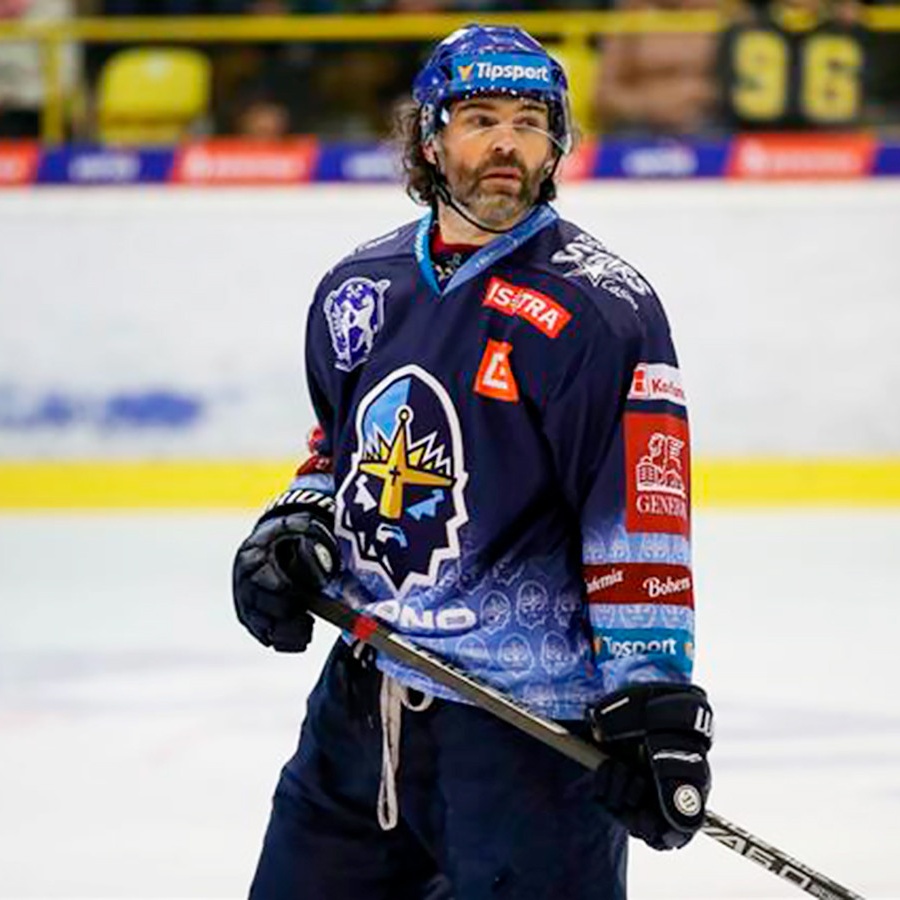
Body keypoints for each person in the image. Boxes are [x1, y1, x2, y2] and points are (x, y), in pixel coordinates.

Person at [232, 23, 714, 900]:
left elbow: (638, 513)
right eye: (480, 118)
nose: (506, 144)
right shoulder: (360, 289)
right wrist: (295, 523)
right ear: (429, 137)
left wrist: (654, 699)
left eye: (530, 122)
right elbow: (339, 454)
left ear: (556, 145)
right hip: (361, 710)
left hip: (528, 736)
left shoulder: (602, 310)